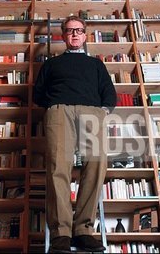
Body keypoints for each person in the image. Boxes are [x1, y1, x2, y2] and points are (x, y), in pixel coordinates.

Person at [33, 15, 117, 253]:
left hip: (92, 113)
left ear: (85, 34)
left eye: (79, 30)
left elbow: (109, 94)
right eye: (70, 31)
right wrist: (55, 106)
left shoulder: (96, 64)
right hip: (60, 112)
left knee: (97, 162)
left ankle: (83, 230)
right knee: (58, 166)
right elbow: (38, 94)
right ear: (63, 35)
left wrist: (101, 112)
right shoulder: (51, 64)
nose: (74, 34)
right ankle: (61, 232)